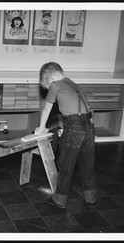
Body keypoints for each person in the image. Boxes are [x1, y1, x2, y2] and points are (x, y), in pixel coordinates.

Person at [35, 62, 97, 209]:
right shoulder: (74, 84)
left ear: (50, 79)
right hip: (89, 125)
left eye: (47, 86)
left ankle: (59, 200)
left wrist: (41, 128)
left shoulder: (55, 85)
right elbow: (77, 110)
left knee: (66, 165)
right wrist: (65, 126)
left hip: (74, 127)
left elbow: (46, 109)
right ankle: (91, 198)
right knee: (87, 164)